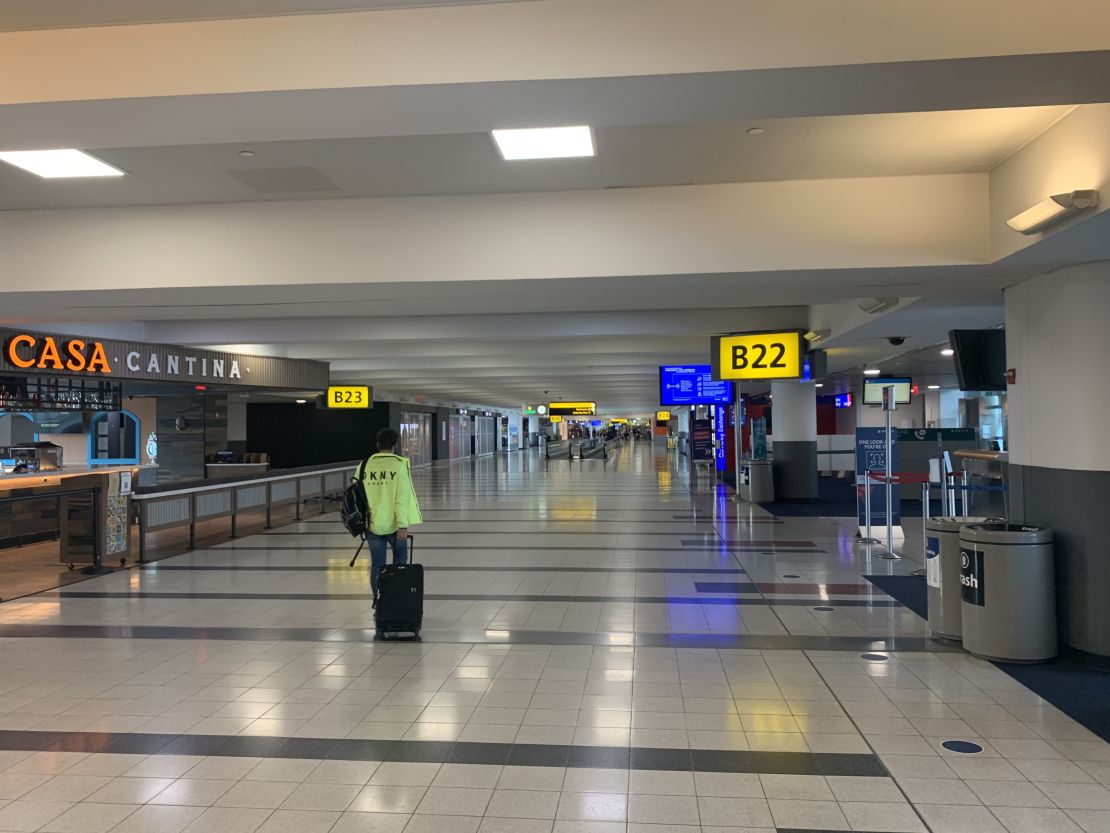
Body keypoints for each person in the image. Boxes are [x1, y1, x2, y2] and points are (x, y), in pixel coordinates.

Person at [361, 427, 423, 598]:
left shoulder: (364, 466)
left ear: (377, 445)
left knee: (377, 566)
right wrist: (403, 525)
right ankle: (397, 599)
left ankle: (379, 601)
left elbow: (359, 497)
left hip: (372, 524)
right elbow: (401, 499)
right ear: (395, 445)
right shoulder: (399, 465)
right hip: (396, 526)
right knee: (400, 565)